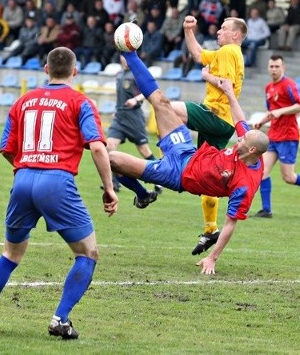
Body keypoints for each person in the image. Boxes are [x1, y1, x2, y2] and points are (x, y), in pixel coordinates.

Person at [0, 47, 118, 338]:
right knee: (88, 253)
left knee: (10, 253)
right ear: (75, 71)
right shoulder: (81, 102)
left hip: (22, 179)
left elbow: (6, 148)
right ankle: (60, 319)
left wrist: (28, 169)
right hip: (57, 182)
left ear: (46, 70)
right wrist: (109, 188)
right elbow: (98, 147)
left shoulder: (22, 101)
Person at [109, 50, 269, 275]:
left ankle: (142, 194)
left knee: (111, 158)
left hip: (176, 174)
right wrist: (230, 94)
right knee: (161, 101)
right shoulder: (249, 144)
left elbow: (231, 224)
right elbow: (240, 119)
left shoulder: (245, 184)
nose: (239, 136)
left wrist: (212, 258)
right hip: (186, 150)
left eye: (243, 138)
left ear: (252, 150)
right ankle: (131, 53)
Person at [137, 16, 247, 256]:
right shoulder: (223, 52)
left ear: (236, 35)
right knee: (208, 175)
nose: (219, 31)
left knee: (166, 107)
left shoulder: (230, 51)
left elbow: (225, 83)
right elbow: (198, 55)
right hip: (223, 123)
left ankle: (167, 160)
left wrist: (206, 77)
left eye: (224, 28)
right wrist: (188, 30)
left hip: (215, 114)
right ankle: (210, 229)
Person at [251, 55, 300, 218]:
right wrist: (261, 121)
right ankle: (267, 210)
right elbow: (272, 111)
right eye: (271, 66)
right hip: (273, 135)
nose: (274, 69)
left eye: (277, 66)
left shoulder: (289, 85)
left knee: (289, 177)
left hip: (288, 136)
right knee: (262, 172)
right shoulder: (268, 88)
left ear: (283, 67)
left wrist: (282, 111)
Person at [104, 54, 163, 197]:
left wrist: (136, 100)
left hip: (134, 118)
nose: (124, 59)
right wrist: (115, 110)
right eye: (122, 56)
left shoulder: (137, 73)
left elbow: (149, 91)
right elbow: (120, 96)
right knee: (109, 147)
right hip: (120, 117)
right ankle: (114, 182)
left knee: (144, 150)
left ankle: (159, 179)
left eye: (126, 57)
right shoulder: (119, 74)